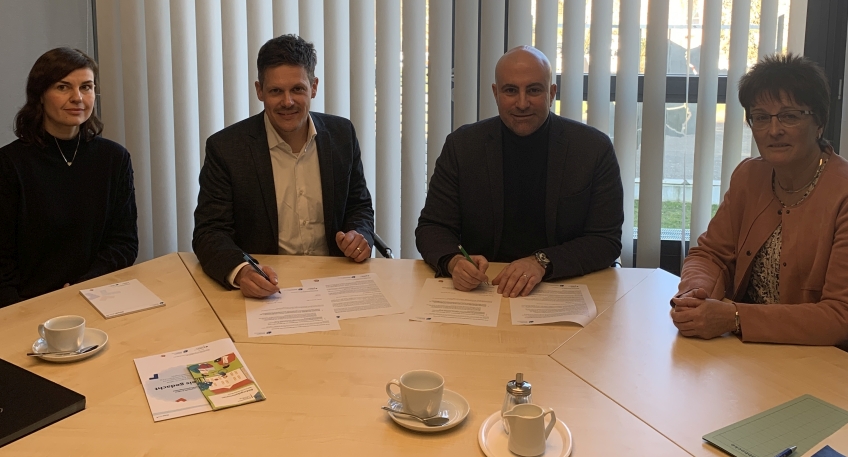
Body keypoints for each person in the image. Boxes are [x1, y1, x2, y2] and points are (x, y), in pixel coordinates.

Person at [416, 46, 624, 298]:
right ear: (496, 93)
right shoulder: (462, 146)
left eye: (534, 90)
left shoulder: (593, 149)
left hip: (562, 285)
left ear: (551, 93)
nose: (522, 103)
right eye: (511, 90)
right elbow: (433, 227)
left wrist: (541, 262)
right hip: (485, 288)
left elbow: (605, 239)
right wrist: (454, 261)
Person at [670, 54, 848, 347]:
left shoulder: (842, 193)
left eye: (790, 116)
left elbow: (840, 316)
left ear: (819, 123)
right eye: (761, 118)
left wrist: (734, 318)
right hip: (745, 350)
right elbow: (710, 255)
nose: (774, 130)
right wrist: (695, 295)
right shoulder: (749, 176)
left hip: (818, 357)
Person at [193, 34, 374, 298]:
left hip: (335, 282)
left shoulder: (341, 135)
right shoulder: (227, 148)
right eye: (276, 91)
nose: (287, 101)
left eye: (297, 89)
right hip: (266, 285)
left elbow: (359, 205)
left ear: (313, 87)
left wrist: (359, 234)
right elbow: (210, 231)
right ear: (259, 91)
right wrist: (242, 271)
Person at [0, 47, 138, 307]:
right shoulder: (8, 164)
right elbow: (2, 259)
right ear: (40, 95)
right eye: (63, 87)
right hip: (26, 306)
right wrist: (19, 312)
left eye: (86, 87)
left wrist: (83, 287)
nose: (77, 98)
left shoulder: (114, 158)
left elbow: (124, 243)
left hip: (97, 296)